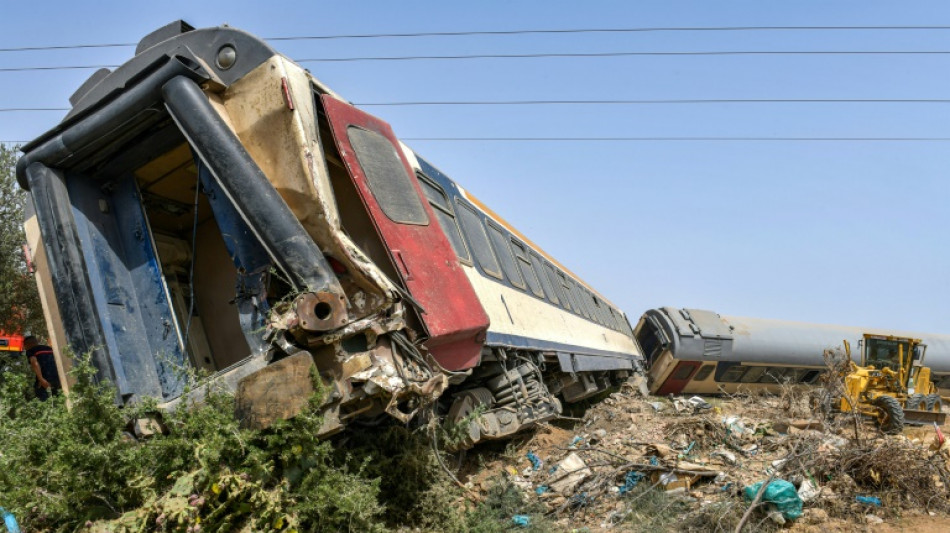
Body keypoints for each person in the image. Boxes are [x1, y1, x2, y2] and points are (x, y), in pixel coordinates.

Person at [24, 336, 61, 401]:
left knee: (44, 402)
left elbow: (34, 362)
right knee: (58, 400)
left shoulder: (31, 351)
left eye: (24, 346)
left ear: (27, 345)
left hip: (45, 381)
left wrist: (41, 379)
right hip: (57, 379)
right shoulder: (49, 348)